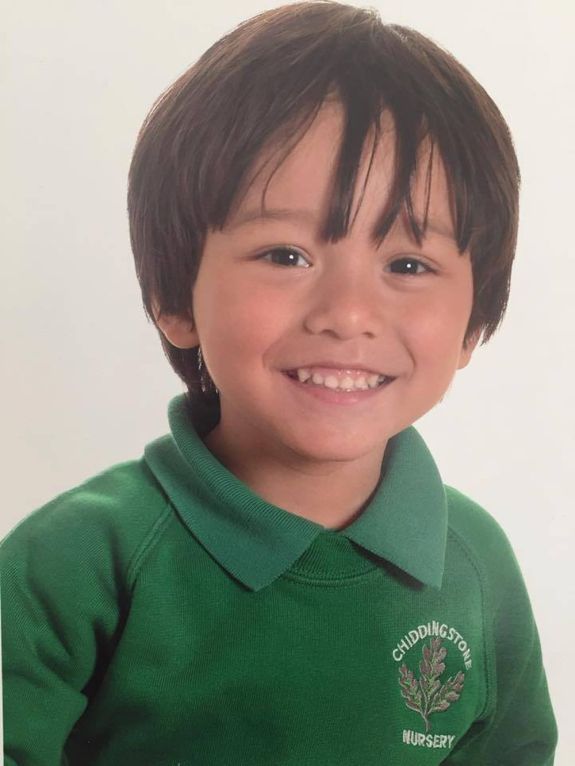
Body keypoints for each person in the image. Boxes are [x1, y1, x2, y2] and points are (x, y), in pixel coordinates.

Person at [1, 1, 557, 763]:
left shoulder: (475, 562)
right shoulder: (76, 558)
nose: (348, 313)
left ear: (471, 326)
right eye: (285, 255)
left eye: (407, 263)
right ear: (174, 297)